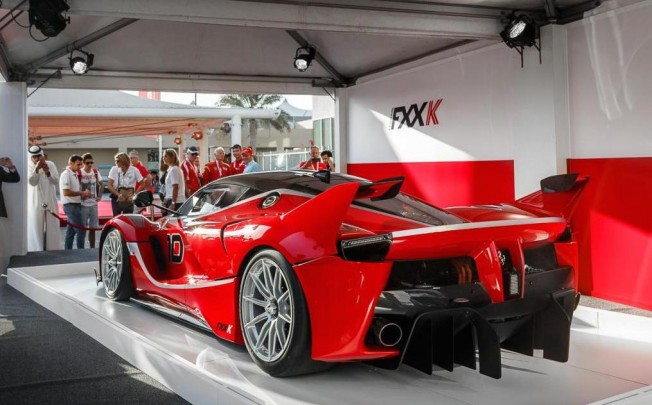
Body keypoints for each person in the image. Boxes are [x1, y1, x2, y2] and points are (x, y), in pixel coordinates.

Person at [27, 145, 60, 251]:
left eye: (39, 156)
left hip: (50, 201)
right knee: (36, 228)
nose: (37, 159)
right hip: (35, 202)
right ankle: (37, 250)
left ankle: (53, 250)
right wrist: (37, 169)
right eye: (34, 157)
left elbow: (55, 181)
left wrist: (47, 172)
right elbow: (32, 182)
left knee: (52, 227)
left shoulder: (50, 164)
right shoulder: (28, 166)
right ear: (31, 157)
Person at [60, 154, 91, 250]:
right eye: (78, 164)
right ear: (71, 163)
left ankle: (68, 250)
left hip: (75, 205)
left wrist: (82, 195)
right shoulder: (66, 174)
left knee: (71, 232)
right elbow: (66, 192)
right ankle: (80, 251)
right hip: (71, 206)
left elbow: (71, 191)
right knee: (81, 230)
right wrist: (81, 193)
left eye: (81, 164)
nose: (80, 167)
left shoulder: (74, 174)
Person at [78, 153, 103, 248]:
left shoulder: (95, 172)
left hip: (93, 204)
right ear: (83, 163)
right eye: (87, 163)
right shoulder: (79, 172)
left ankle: (92, 248)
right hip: (83, 204)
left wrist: (99, 196)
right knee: (82, 228)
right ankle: (81, 248)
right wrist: (80, 196)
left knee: (93, 228)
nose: (90, 165)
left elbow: (101, 184)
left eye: (91, 162)